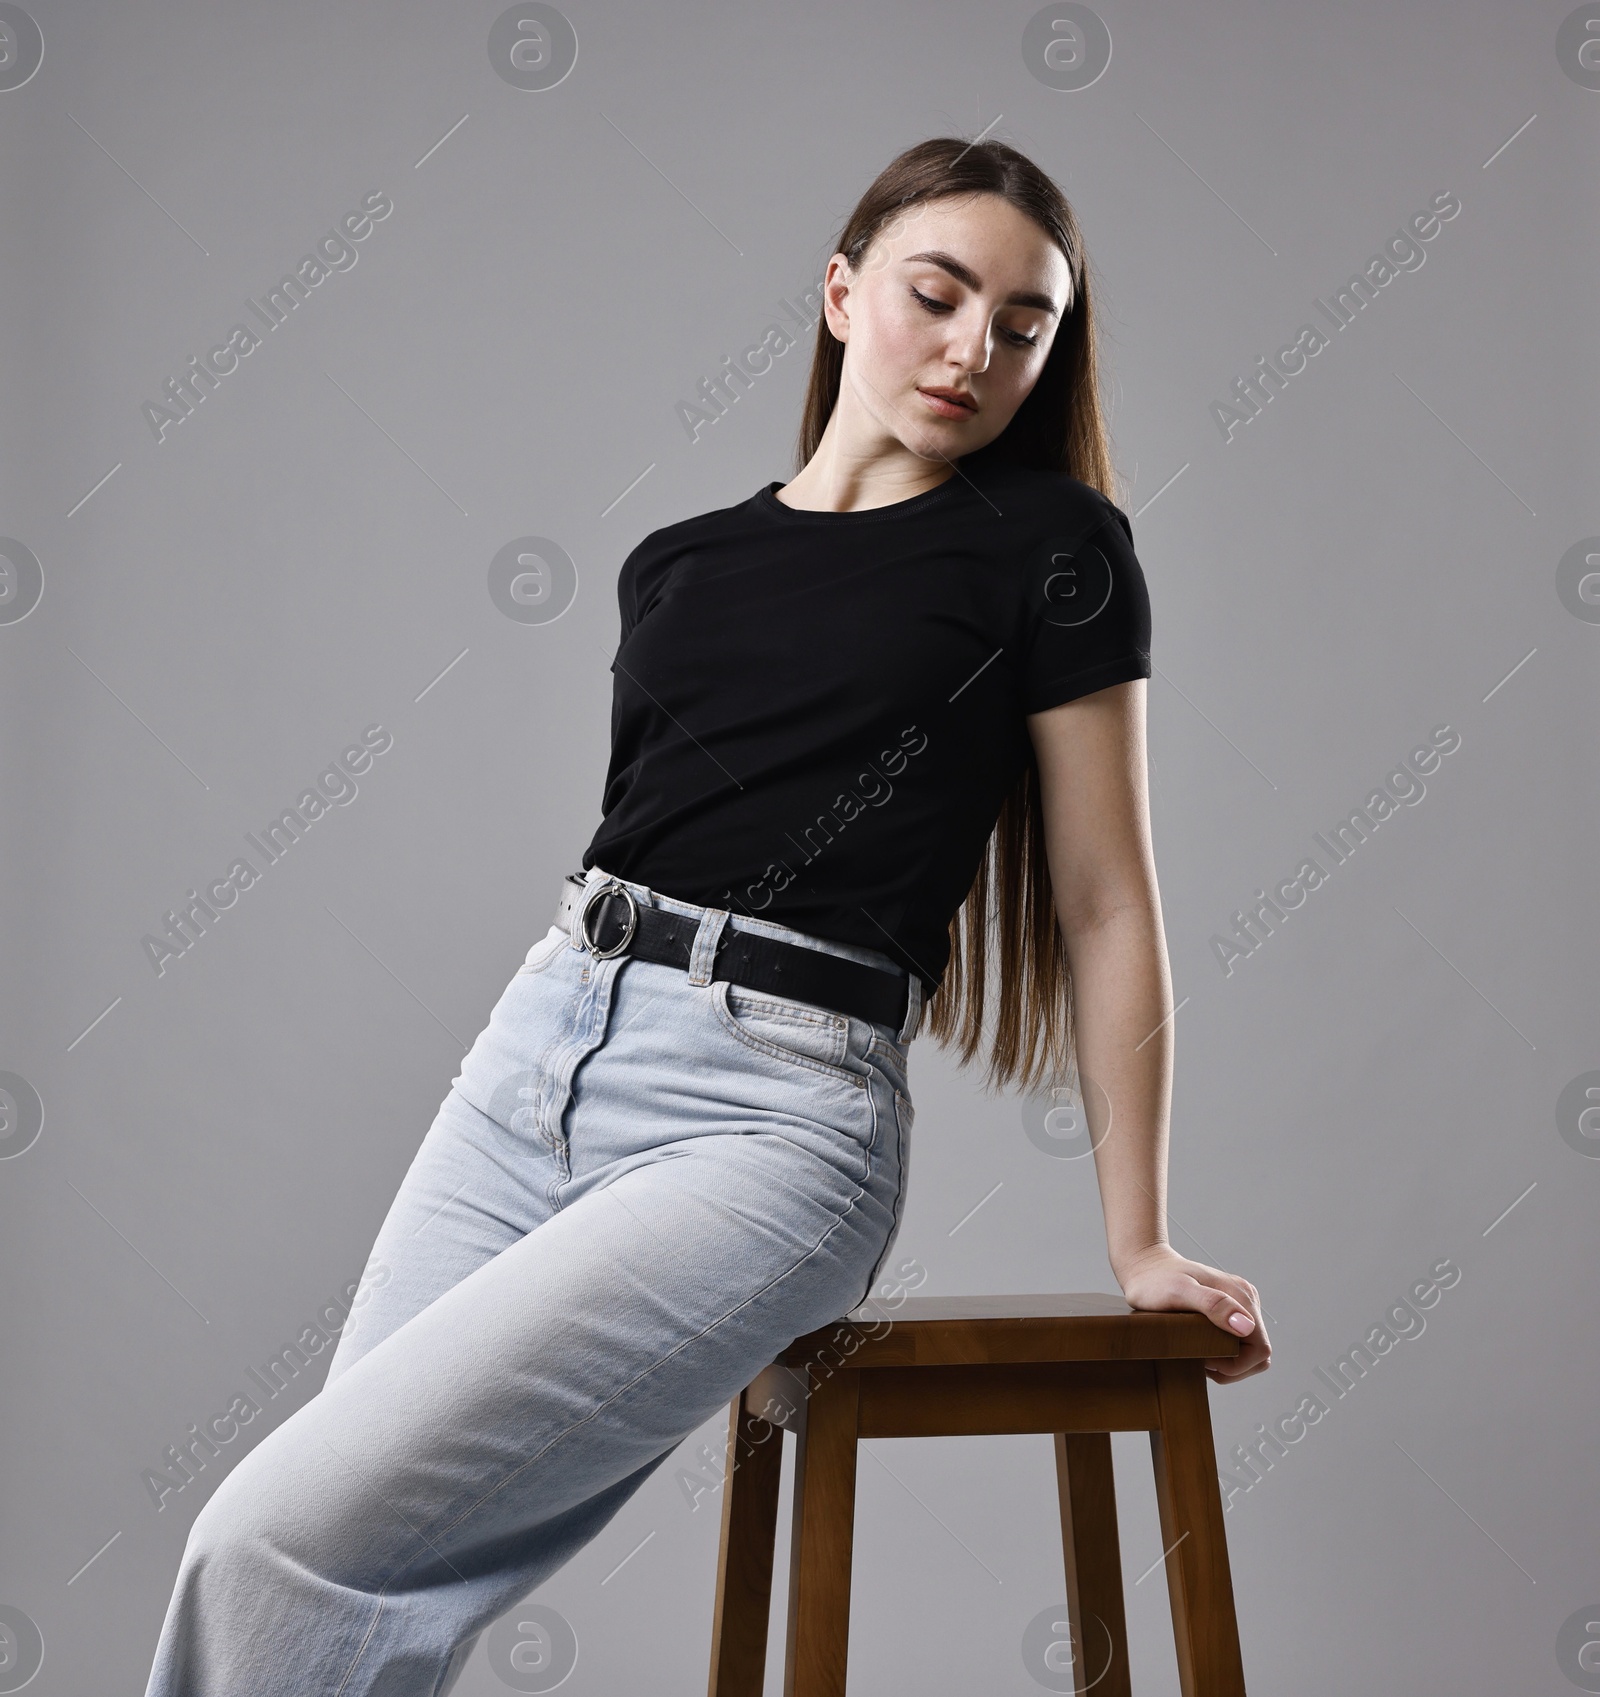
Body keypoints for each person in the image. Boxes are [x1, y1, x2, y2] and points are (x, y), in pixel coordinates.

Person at [142, 134, 1271, 1696]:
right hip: (539, 1045)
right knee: (342, 1579)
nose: (973, 349)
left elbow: (1103, 898)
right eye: (938, 295)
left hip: (774, 1116)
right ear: (839, 289)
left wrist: (1134, 1234)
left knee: (268, 1538)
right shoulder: (676, 565)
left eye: (1024, 327)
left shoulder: (1056, 555)